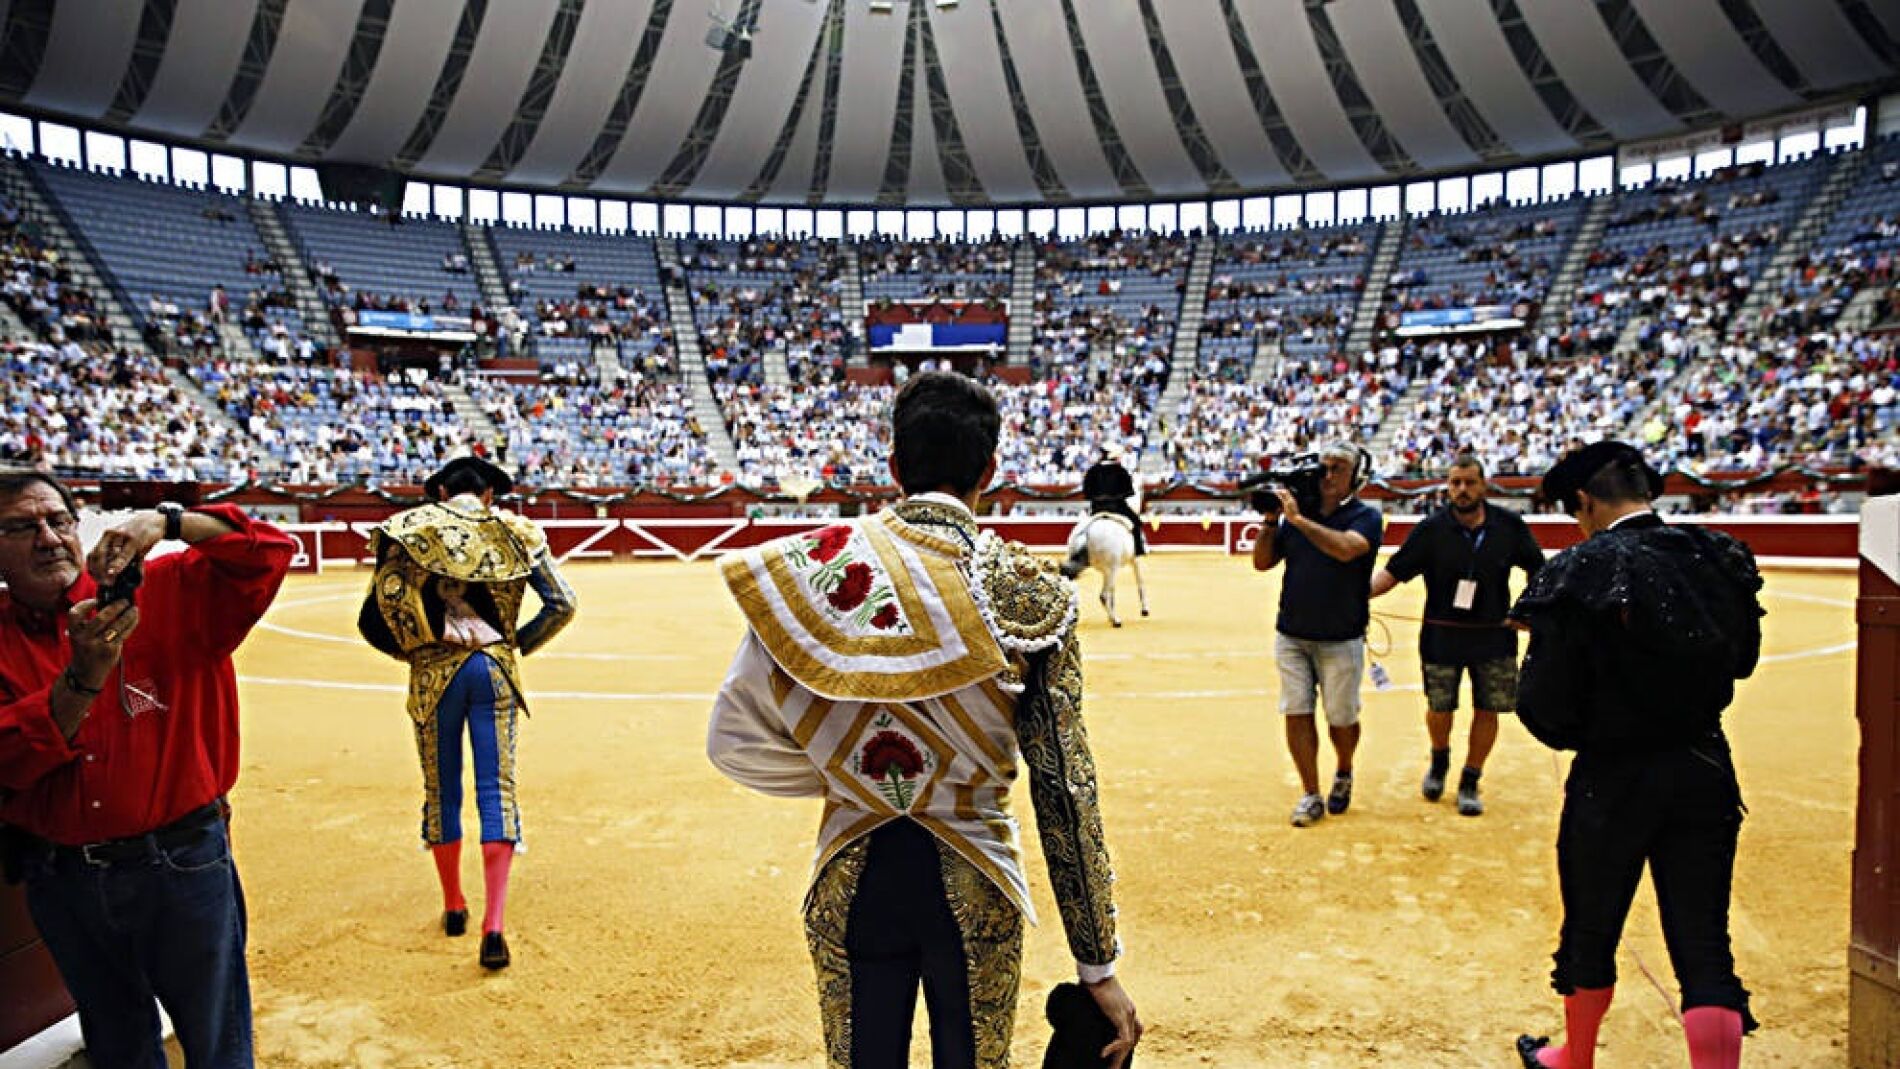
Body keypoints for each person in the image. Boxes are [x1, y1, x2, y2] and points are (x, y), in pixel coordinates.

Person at [708, 371, 1142, 1069]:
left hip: (852, 872)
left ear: (894, 465)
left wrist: (850, 779)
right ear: (989, 471)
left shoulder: (811, 572)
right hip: (977, 876)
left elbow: (731, 739)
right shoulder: (1029, 590)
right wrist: (1098, 966)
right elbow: (1065, 787)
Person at [0, 473, 295, 1068]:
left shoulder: (168, 587)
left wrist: (170, 521)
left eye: (58, 520)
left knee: (218, 1043)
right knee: (119, 1047)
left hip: (180, 859)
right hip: (63, 876)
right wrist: (82, 679)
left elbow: (268, 551)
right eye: (21, 527)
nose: (48, 538)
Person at [1508, 442, 1763, 1069]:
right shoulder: (1717, 555)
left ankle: (1576, 1058)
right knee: (1704, 943)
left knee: (1592, 926)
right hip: (1703, 765)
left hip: (1611, 775)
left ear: (1585, 502)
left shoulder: (1581, 567)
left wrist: (1586, 723)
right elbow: (1743, 661)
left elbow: (1541, 704)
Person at [356, 456, 577, 971]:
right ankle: (493, 925)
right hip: (493, 670)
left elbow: (373, 618)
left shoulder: (408, 529)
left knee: (442, 789)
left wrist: (416, 652)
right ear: (489, 495)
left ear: (439, 491)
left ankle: (455, 905)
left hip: (435, 676)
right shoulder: (516, 532)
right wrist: (513, 647)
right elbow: (562, 604)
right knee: (496, 789)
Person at [1369, 452, 1544, 816]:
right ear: (1447, 487)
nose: (1462, 490)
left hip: (1494, 636)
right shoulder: (1430, 529)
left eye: (1469, 483)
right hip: (1441, 636)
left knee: (1488, 708)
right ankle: (1440, 760)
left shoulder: (1509, 526)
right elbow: (1392, 574)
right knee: (1439, 707)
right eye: (1455, 483)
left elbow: (1538, 571)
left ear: (1484, 486)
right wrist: (1351, 597)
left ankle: (1470, 778)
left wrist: (1530, 609)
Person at [1251, 441, 1383, 827]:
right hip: (1292, 632)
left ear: (1356, 477)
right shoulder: (1298, 514)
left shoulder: (1365, 517)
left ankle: (1344, 769)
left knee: (1341, 717)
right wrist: (1270, 521)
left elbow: (1346, 549)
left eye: (1337, 468)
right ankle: (1310, 793)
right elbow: (1262, 562)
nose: (1327, 475)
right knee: (1296, 711)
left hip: (1341, 635)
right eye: (1323, 467)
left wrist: (1298, 521)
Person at [1082, 443, 1145, 557]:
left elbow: (1087, 494)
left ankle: (1080, 553)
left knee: (1081, 529)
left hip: (1097, 508)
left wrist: (1099, 498)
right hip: (1118, 508)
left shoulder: (1092, 471)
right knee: (1136, 523)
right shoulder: (1121, 471)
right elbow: (1129, 492)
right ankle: (1139, 550)